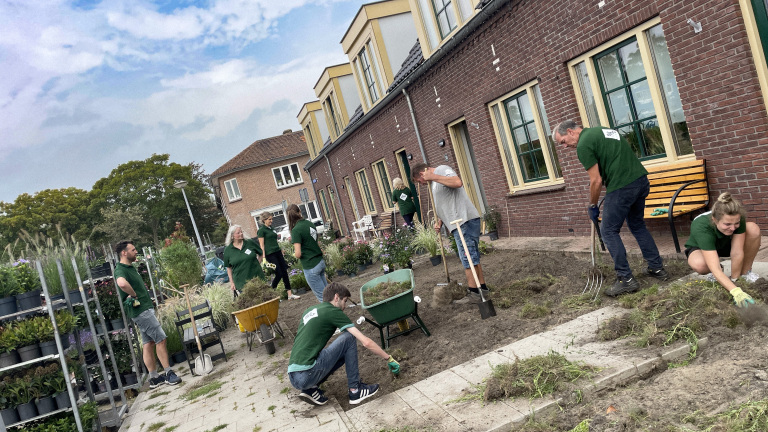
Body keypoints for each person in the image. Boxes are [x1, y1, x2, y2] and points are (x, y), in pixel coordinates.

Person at [552, 120, 669, 296]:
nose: (566, 146)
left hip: (622, 187)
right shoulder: (604, 130)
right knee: (637, 225)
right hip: (641, 181)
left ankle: (626, 279)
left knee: (608, 231)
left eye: (563, 142)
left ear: (570, 131)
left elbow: (596, 180)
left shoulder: (583, 144)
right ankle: (657, 267)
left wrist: (592, 205)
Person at [288, 282, 400, 406]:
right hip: (307, 373)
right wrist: (388, 358)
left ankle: (310, 389)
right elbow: (366, 342)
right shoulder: (332, 311)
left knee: (340, 352)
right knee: (349, 337)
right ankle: (355, 390)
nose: (345, 306)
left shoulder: (309, 311)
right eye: (345, 301)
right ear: (336, 297)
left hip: (293, 375)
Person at [411, 162, 488, 304]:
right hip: (459, 222)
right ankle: (483, 289)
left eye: (419, 181)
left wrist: (433, 176)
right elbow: (447, 202)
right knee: (472, 257)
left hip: (463, 221)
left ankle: (474, 294)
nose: (421, 184)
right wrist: (441, 220)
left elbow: (457, 182)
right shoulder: (435, 182)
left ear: (422, 174)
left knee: (468, 259)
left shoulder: (442, 170)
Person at [114, 240, 181, 388]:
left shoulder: (129, 267)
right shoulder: (120, 269)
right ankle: (169, 374)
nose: (136, 251)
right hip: (141, 311)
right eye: (133, 249)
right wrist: (133, 294)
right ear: (124, 253)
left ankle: (154, 378)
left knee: (148, 343)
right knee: (161, 339)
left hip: (142, 310)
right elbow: (121, 283)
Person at [685, 192, 761, 307]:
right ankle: (718, 276)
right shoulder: (701, 225)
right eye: (727, 224)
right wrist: (735, 291)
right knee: (700, 264)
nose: (732, 228)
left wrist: (736, 281)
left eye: (736, 223)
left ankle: (745, 274)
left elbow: (736, 252)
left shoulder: (737, 217)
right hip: (703, 248)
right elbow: (714, 266)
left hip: (726, 243)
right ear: (715, 220)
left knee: (753, 229)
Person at [288, 204, 327, 302]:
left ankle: (332, 315)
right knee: (327, 294)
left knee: (322, 298)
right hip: (320, 262)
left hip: (311, 266)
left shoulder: (296, 230)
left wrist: (294, 254)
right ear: (300, 212)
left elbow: (298, 254)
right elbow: (315, 241)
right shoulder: (310, 224)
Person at [258, 212, 300, 300]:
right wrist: (264, 258)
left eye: (271, 219)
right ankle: (271, 292)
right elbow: (262, 245)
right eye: (269, 219)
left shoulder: (272, 229)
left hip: (278, 252)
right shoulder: (261, 231)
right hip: (270, 254)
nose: (271, 221)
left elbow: (275, 241)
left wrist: (281, 250)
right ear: (264, 220)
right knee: (279, 273)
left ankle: (290, 294)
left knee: (284, 272)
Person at [223, 225, 265, 294]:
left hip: (257, 277)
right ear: (232, 236)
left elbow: (260, 253)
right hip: (241, 283)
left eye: (241, 232)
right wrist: (232, 283)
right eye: (238, 233)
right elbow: (229, 268)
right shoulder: (228, 250)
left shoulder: (249, 243)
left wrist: (257, 263)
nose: (241, 234)